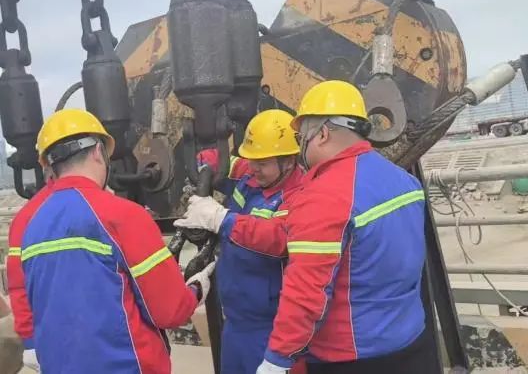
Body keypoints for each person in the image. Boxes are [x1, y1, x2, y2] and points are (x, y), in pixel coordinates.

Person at [180, 81, 428, 374]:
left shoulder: (325, 195)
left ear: (322, 134)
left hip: (351, 353)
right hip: (409, 341)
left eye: (302, 138)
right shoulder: (405, 181)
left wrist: (277, 359)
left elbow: (306, 291)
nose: (301, 148)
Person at [6, 108, 214, 374]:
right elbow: (169, 311)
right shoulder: (124, 215)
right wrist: (196, 289)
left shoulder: (30, 224)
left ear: (49, 165)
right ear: (98, 152)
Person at [175, 109, 306, 374]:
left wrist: (220, 219)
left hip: (272, 330)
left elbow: (278, 238)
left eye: (262, 162)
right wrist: (202, 163)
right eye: (252, 159)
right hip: (235, 323)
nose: (254, 168)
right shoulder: (251, 174)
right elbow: (219, 160)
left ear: (289, 161)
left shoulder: (301, 195)